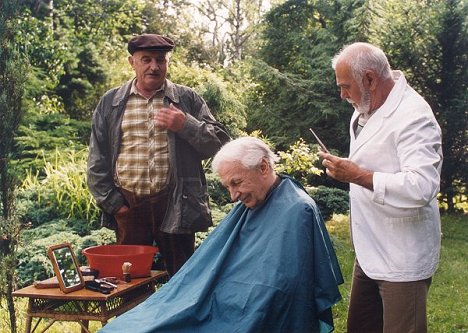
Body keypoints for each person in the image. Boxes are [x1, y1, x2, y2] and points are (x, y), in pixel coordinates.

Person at [99, 137, 343, 333]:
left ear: (264, 167)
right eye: (228, 186)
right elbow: (208, 264)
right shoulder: (251, 204)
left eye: (236, 183)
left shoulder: (297, 210)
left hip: (250, 311)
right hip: (224, 300)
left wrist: (237, 305)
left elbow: (286, 289)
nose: (233, 196)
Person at [318, 42, 443, 333]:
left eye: (346, 86)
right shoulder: (367, 107)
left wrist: (358, 175)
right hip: (370, 250)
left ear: (371, 79)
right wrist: (348, 169)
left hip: (402, 256)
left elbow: (422, 186)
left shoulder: (415, 116)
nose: (342, 95)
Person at [87, 33, 230, 276]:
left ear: (167, 62)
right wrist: (115, 204)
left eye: (160, 60)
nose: (154, 67)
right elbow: (96, 159)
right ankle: (133, 315)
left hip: (175, 203)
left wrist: (185, 124)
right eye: (146, 60)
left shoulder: (186, 99)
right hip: (129, 206)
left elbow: (220, 146)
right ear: (132, 62)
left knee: (182, 278)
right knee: (129, 281)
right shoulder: (111, 102)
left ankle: (183, 316)